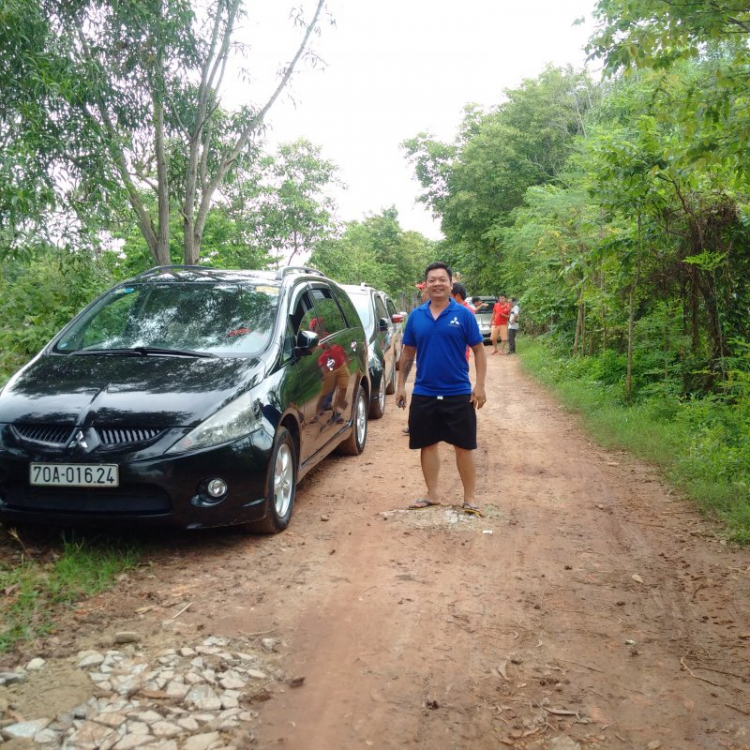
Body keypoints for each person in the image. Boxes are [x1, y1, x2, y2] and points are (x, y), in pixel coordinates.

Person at [395, 262, 487, 515]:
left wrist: (479, 385)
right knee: (427, 443)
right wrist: (401, 386)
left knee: (464, 445)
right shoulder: (416, 316)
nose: (437, 283)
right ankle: (431, 494)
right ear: (426, 285)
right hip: (424, 391)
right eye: (432, 280)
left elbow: (479, 350)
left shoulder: (464, 315)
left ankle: (470, 498)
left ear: (450, 283)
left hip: (458, 391)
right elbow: (407, 354)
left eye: (442, 279)